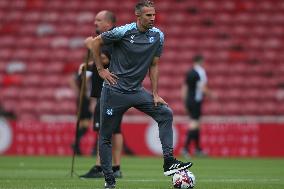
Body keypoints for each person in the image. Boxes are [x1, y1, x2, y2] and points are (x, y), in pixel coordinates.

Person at [85, 1, 193, 188]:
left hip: (136, 91)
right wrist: (101, 70)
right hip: (114, 91)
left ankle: (169, 161)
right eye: (148, 15)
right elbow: (95, 43)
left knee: (165, 113)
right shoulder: (123, 32)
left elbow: (154, 64)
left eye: (154, 14)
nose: (153, 18)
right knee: (105, 135)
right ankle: (109, 179)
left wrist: (155, 93)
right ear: (138, 16)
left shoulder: (158, 36)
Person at [79, 10, 123, 179]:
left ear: (108, 23)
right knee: (116, 129)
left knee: (103, 129)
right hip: (117, 90)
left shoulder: (109, 38)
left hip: (108, 91)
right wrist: (89, 65)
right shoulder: (115, 37)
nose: (95, 23)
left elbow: (105, 59)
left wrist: (91, 45)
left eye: (98, 20)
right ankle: (116, 167)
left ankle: (100, 167)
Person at [181, 54, 211, 158]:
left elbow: (184, 88)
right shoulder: (200, 72)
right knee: (194, 123)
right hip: (196, 100)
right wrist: (211, 95)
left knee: (197, 124)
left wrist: (185, 102)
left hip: (189, 100)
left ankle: (198, 149)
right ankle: (185, 148)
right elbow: (202, 87)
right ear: (200, 61)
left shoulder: (190, 72)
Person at [69, 70, 93, 155]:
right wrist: (87, 94)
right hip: (85, 100)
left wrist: (78, 92)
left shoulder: (81, 70)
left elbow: (71, 79)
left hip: (81, 99)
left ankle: (76, 145)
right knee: (85, 124)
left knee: (82, 124)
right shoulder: (89, 71)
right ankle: (75, 144)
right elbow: (86, 81)